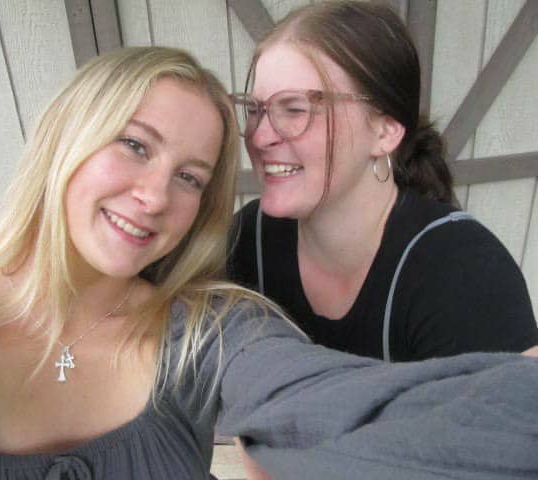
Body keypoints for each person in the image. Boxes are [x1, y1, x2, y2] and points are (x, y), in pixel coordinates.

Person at [0, 46, 537, 480]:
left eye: (190, 177)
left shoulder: (212, 329)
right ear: (66, 136)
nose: (155, 196)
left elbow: (321, 400)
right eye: (134, 144)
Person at [227, 2, 538, 477]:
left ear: (385, 130)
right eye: (255, 110)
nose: (260, 136)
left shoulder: (464, 272)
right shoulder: (249, 242)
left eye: (294, 109)